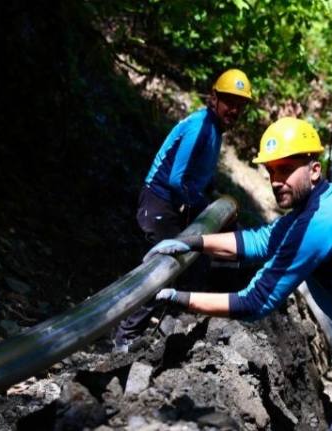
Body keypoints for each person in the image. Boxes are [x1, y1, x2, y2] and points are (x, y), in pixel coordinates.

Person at [145, 117, 332, 430]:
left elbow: (254, 303)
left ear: (314, 169)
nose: (276, 180)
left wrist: (175, 298)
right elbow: (261, 241)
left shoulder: (316, 225)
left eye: (286, 169)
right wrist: (190, 243)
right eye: (271, 171)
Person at [113, 68, 253, 353]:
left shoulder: (213, 129)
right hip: (159, 200)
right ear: (214, 98)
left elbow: (198, 173)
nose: (235, 109)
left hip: (171, 202)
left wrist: (213, 194)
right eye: (230, 102)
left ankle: (207, 313)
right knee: (163, 269)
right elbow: (178, 179)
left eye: (240, 105)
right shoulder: (201, 127)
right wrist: (206, 210)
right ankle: (125, 337)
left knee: (178, 265)